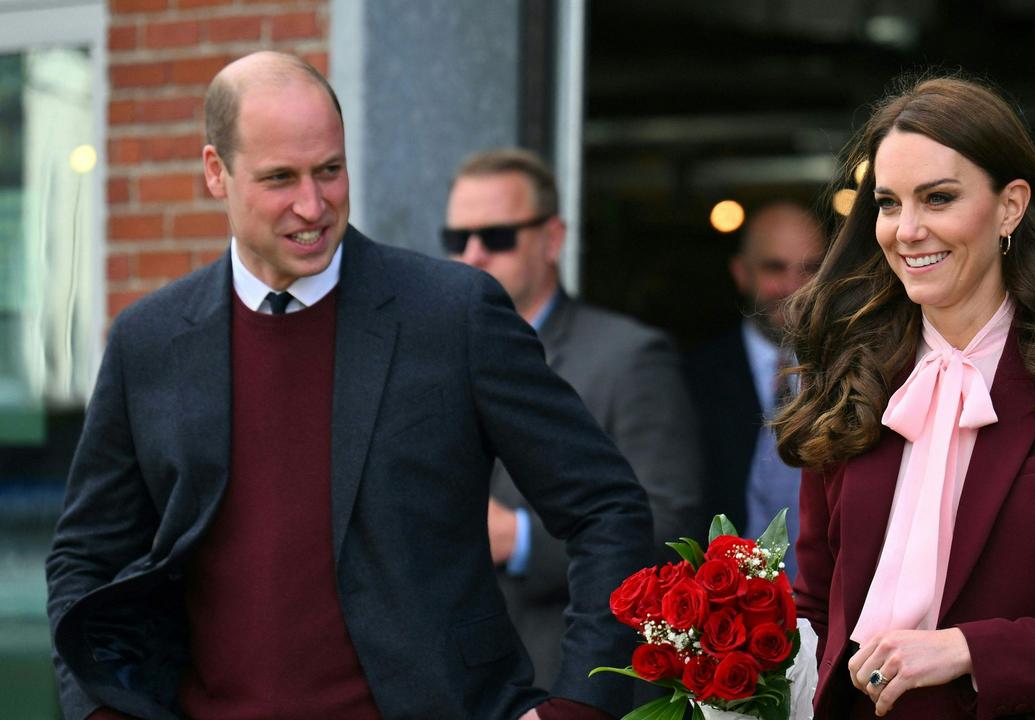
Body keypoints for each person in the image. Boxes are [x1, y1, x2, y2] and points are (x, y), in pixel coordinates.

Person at [45, 51, 652, 720]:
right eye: (280, 178)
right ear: (216, 172)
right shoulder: (149, 340)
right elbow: (84, 557)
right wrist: (99, 711)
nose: (313, 205)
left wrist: (581, 706)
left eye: (329, 170)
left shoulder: (453, 314)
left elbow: (607, 509)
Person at [774, 75, 1035, 718]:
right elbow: (816, 605)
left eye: (938, 198)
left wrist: (969, 649)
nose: (907, 230)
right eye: (889, 203)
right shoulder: (850, 377)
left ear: (1010, 206)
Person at [442, 147, 702, 689]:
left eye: (496, 237)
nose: (472, 255)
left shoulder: (630, 356)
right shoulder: (431, 357)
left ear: (552, 239)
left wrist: (520, 540)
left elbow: (670, 528)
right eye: (456, 239)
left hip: (567, 679)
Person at [685, 201, 824, 576]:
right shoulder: (689, 380)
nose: (793, 287)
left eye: (810, 269)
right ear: (741, 273)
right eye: (775, 268)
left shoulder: (854, 374)